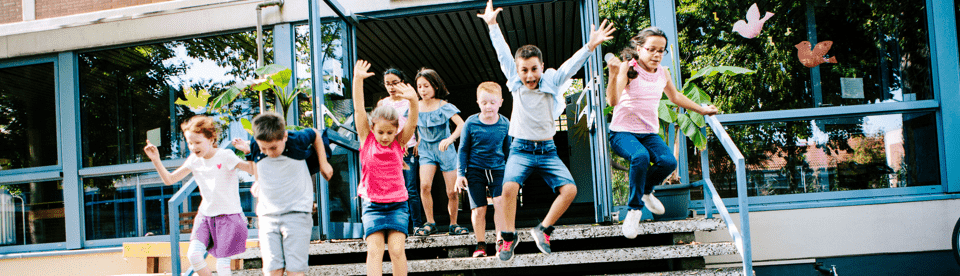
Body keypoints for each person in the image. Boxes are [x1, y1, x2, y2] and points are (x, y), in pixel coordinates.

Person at [477, 0, 616, 261]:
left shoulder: (551, 80)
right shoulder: (515, 81)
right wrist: (493, 25)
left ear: (541, 67)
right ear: (518, 71)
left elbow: (570, 67)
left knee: (570, 190)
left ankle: (543, 229)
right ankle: (508, 237)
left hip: (548, 150)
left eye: (534, 69)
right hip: (521, 149)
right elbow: (503, 54)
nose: (529, 76)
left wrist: (591, 45)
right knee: (508, 189)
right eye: (524, 70)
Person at [604, 27, 718, 239]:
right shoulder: (629, 68)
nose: (657, 55)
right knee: (640, 157)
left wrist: (701, 110)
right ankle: (634, 210)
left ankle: (646, 191)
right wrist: (612, 74)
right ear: (639, 49)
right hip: (622, 133)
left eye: (661, 50)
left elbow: (675, 97)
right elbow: (612, 101)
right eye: (652, 50)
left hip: (648, 133)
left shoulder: (663, 73)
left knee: (668, 162)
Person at [143, 115, 255, 276]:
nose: (193, 146)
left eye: (197, 142)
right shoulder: (194, 160)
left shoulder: (225, 156)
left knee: (223, 266)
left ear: (211, 139)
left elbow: (252, 170)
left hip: (229, 217)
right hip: (205, 216)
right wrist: (156, 160)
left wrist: (248, 151)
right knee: (194, 255)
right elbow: (170, 179)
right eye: (189, 143)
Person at [232, 112, 333, 276]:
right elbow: (255, 159)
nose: (269, 152)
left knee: (295, 270)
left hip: (297, 213)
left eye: (273, 148)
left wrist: (323, 163)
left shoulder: (296, 139)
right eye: (264, 148)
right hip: (268, 215)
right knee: (273, 269)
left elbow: (315, 134)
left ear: (284, 136)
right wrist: (258, 181)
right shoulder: (256, 143)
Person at [354, 59, 418, 276]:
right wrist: (357, 80)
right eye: (381, 132)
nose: (385, 137)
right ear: (373, 128)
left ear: (396, 130)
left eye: (389, 133)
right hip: (372, 205)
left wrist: (413, 101)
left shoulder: (399, 143)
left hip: (397, 204)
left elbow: (412, 122)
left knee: (398, 250)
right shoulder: (367, 140)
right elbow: (358, 109)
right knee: (374, 251)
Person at [455, 81, 511, 257]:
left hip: (498, 169)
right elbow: (463, 149)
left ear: (500, 102)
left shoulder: (505, 123)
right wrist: (460, 174)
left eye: (493, 103)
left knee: (500, 203)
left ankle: (500, 241)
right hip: (475, 169)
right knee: (479, 209)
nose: (489, 107)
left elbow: (509, 150)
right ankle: (480, 245)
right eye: (484, 103)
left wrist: (512, 174)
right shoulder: (471, 123)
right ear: (478, 102)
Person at [412, 68, 469, 236]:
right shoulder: (415, 106)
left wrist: (450, 139)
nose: (422, 90)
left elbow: (462, 125)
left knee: (451, 191)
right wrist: (418, 140)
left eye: (426, 86)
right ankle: (430, 223)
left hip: (445, 149)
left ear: (435, 86)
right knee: (424, 186)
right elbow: (414, 126)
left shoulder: (443, 105)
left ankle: (454, 224)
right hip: (426, 150)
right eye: (419, 86)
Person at [377, 68, 425, 233]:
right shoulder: (383, 103)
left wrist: (419, 141)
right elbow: (378, 129)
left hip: (409, 150)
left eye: (395, 83)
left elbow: (419, 124)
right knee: (391, 189)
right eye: (387, 84)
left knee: (411, 188)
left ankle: (417, 225)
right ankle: (396, 226)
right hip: (389, 154)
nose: (391, 87)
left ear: (403, 83)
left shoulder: (410, 101)